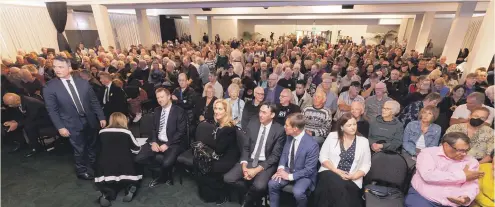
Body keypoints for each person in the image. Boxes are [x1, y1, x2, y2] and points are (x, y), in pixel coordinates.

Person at [43, 56, 106, 180]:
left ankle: (94, 166)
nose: (57, 70)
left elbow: (93, 101)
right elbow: (52, 110)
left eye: (61, 67)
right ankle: (81, 171)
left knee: (93, 145)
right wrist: (60, 127)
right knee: (79, 148)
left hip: (90, 120)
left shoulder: (82, 82)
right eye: (55, 67)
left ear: (70, 68)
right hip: (70, 123)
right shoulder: (49, 87)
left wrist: (101, 116)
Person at [223, 103, 285, 207]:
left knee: (260, 186)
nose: (260, 114)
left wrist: (255, 170)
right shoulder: (253, 123)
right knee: (228, 178)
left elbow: (275, 156)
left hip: (265, 163)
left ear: (272, 115)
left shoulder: (279, 130)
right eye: (260, 111)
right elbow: (246, 147)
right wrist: (244, 166)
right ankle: (251, 193)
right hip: (250, 159)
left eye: (264, 112)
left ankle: (248, 200)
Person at [404, 132, 482, 207]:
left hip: (454, 204)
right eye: (461, 150)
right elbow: (428, 176)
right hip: (424, 198)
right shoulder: (428, 153)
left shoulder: (472, 162)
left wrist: (466, 198)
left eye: (467, 150)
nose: (464, 154)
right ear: (446, 145)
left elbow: (472, 185)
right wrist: (463, 176)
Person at [312, 113, 371, 207]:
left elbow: (366, 164)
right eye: (349, 125)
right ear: (342, 127)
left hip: (351, 178)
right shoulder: (332, 136)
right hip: (331, 171)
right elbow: (323, 157)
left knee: (331, 189)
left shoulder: (363, 141)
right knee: (330, 179)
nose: (353, 127)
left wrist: (354, 176)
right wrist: (337, 171)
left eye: (354, 124)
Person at [135, 88, 186, 188]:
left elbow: (181, 132)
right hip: (158, 140)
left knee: (166, 163)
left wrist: (167, 144)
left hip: (173, 142)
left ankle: (163, 176)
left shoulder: (179, 111)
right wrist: (153, 142)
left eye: (162, 97)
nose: (160, 100)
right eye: (158, 97)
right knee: (138, 158)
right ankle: (166, 173)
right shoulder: (157, 110)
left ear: (169, 96)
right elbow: (153, 129)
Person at [268, 113, 319, 207]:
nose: (284, 127)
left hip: (304, 174)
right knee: (272, 184)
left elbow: (309, 170)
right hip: (288, 169)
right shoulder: (289, 136)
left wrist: (289, 176)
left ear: (295, 128)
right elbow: (284, 154)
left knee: (298, 192)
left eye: (287, 125)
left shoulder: (312, 145)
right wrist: (281, 169)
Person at [195, 99, 239, 205]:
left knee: (207, 167)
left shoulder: (228, 128)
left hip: (228, 158)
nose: (217, 111)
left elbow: (219, 149)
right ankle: (211, 192)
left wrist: (206, 144)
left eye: (220, 109)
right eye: (215, 108)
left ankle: (222, 194)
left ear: (226, 111)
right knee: (200, 163)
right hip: (220, 154)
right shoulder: (220, 125)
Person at [95, 112, 142, 207]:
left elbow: (97, 149)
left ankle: (106, 194)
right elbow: (136, 149)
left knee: (109, 184)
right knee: (137, 164)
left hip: (106, 166)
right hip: (125, 165)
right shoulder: (127, 132)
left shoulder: (101, 132)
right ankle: (130, 187)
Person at [2, 93, 53, 157]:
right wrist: (14, 121)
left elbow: (31, 118)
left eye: (10, 104)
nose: (9, 106)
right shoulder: (19, 101)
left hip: (46, 119)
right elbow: (22, 115)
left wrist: (17, 123)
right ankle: (22, 144)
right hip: (34, 118)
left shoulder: (31, 103)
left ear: (17, 100)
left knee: (29, 126)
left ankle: (36, 148)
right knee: (16, 124)